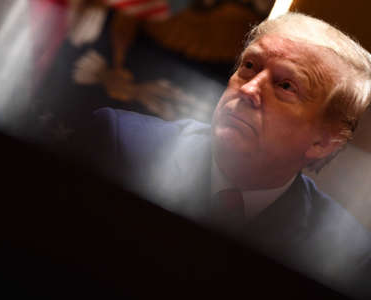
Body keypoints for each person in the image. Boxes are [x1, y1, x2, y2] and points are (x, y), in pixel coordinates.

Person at [71, 13, 371, 299]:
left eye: (285, 85)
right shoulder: (118, 142)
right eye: (249, 66)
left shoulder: (346, 252)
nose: (249, 89)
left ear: (324, 142)